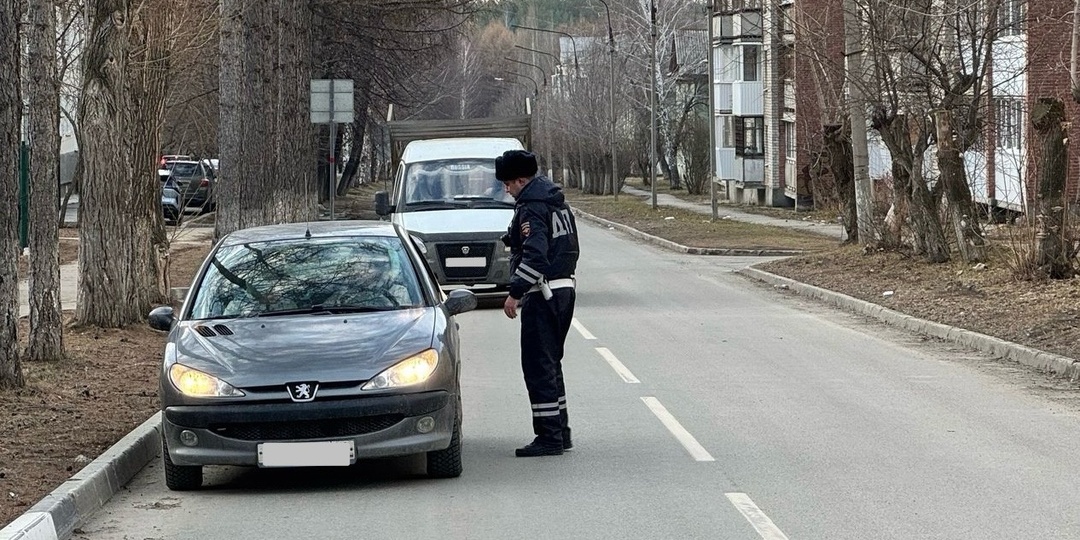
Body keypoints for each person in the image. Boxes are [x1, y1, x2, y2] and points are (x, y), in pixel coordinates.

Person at [496, 150, 580, 457]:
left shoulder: (531, 207)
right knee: (551, 363)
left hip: (541, 293)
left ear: (521, 179)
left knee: (537, 366)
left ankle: (549, 437)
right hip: (564, 289)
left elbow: (536, 254)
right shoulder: (556, 202)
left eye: (508, 183)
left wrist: (515, 292)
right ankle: (561, 430)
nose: (506, 189)